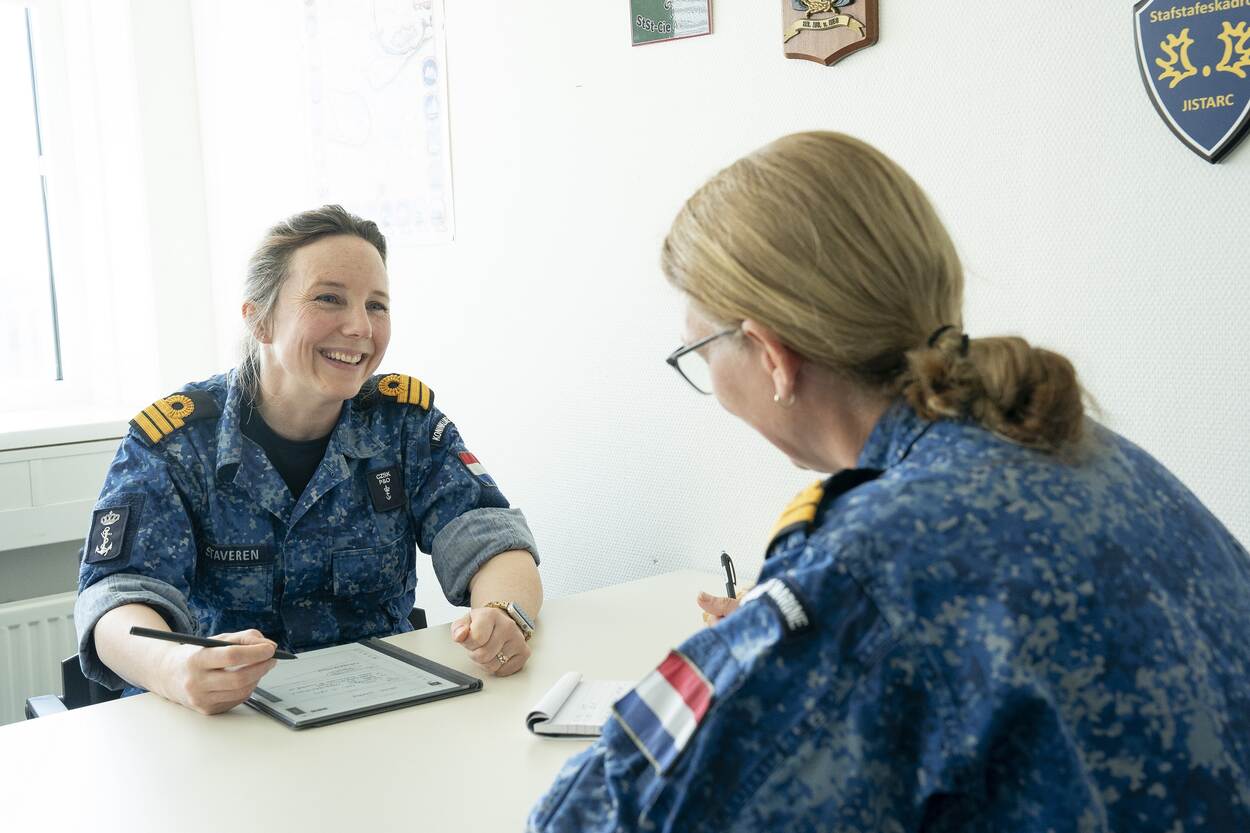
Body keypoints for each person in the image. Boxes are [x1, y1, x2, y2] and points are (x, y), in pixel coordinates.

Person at [528, 133, 1250, 831]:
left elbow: (596, 818)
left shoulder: (871, 564)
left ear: (770, 355)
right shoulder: (1094, 453)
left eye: (701, 350)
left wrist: (770, 639)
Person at [74, 205, 542, 715]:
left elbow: (491, 540)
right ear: (260, 319)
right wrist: (173, 667)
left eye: (377, 305)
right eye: (329, 298)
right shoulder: (178, 443)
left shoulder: (404, 425)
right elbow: (115, 600)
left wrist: (504, 613)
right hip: (226, 719)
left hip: (381, 709)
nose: (360, 327)